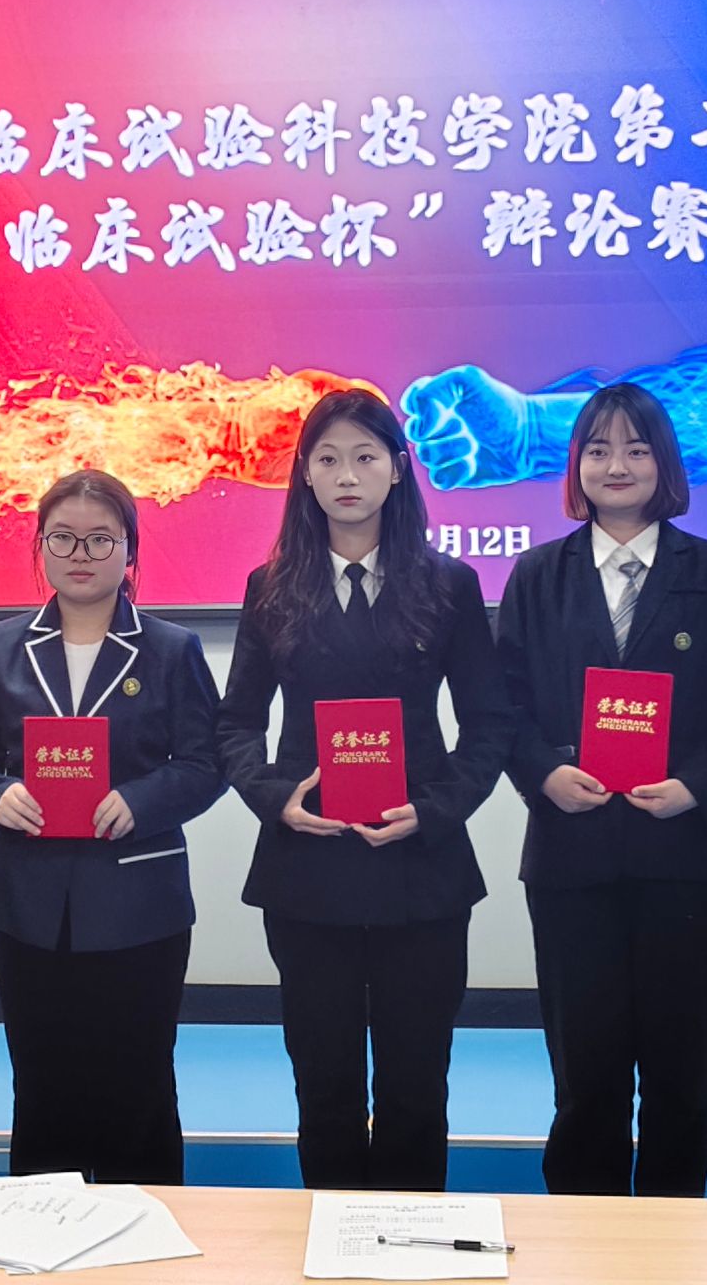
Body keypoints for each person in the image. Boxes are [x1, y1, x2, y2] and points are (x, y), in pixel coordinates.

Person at [218, 387, 511, 1192]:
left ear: (398, 469)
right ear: (305, 475)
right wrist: (276, 797)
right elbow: (235, 723)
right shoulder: (271, 586)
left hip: (422, 869)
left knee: (417, 1087)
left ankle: (413, 1240)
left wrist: (436, 808)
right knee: (325, 1087)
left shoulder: (448, 585)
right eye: (328, 459)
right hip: (308, 873)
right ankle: (332, 1239)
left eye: (365, 457)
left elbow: (489, 724)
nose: (347, 476)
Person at [494, 384, 707, 1197]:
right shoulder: (536, 574)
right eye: (598, 449)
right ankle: (588, 1241)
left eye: (636, 449)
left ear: (665, 464)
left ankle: (673, 1240)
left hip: (688, 859)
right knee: (586, 1079)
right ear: (575, 464)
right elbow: (501, 706)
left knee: (683, 1081)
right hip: (572, 860)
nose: (616, 465)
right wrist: (544, 774)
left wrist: (696, 785)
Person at [0, 469, 223, 1184]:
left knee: (138, 1087)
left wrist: (143, 801)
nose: (81, 553)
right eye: (63, 538)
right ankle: (43, 1229)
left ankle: (147, 1228)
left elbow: (205, 764)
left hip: (139, 903)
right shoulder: (3, 645)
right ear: (40, 546)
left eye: (101, 539)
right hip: (29, 903)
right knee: (43, 1087)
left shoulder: (171, 649)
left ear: (129, 551)